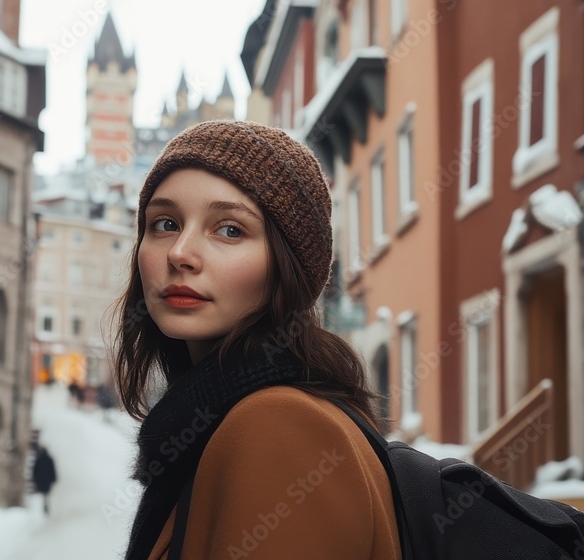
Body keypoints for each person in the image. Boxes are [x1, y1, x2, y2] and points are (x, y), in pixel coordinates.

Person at [111, 120, 401, 559]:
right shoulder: (224, 415)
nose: (179, 253)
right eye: (165, 223)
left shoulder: (280, 425)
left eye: (230, 230)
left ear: (286, 267)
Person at [31, 440, 57, 515]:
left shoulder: (40, 459)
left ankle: (44, 509)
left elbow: (35, 471)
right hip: (46, 481)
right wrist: (53, 479)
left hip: (42, 481)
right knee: (45, 495)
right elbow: (52, 470)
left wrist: (35, 479)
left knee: (43, 495)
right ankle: (44, 509)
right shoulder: (48, 459)